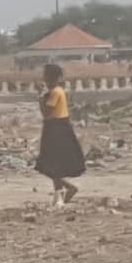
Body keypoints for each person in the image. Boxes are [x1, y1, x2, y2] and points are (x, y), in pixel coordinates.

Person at [35, 64, 85, 207]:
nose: (43, 77)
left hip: (57, 129)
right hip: (54, 127)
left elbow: (46, 112)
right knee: (51, 165)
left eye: (45, 75)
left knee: (51, 164)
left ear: (51, 77)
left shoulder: (56, 92)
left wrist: (39, 96)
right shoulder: (53, 92)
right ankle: (62, 192)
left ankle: (64, 191)